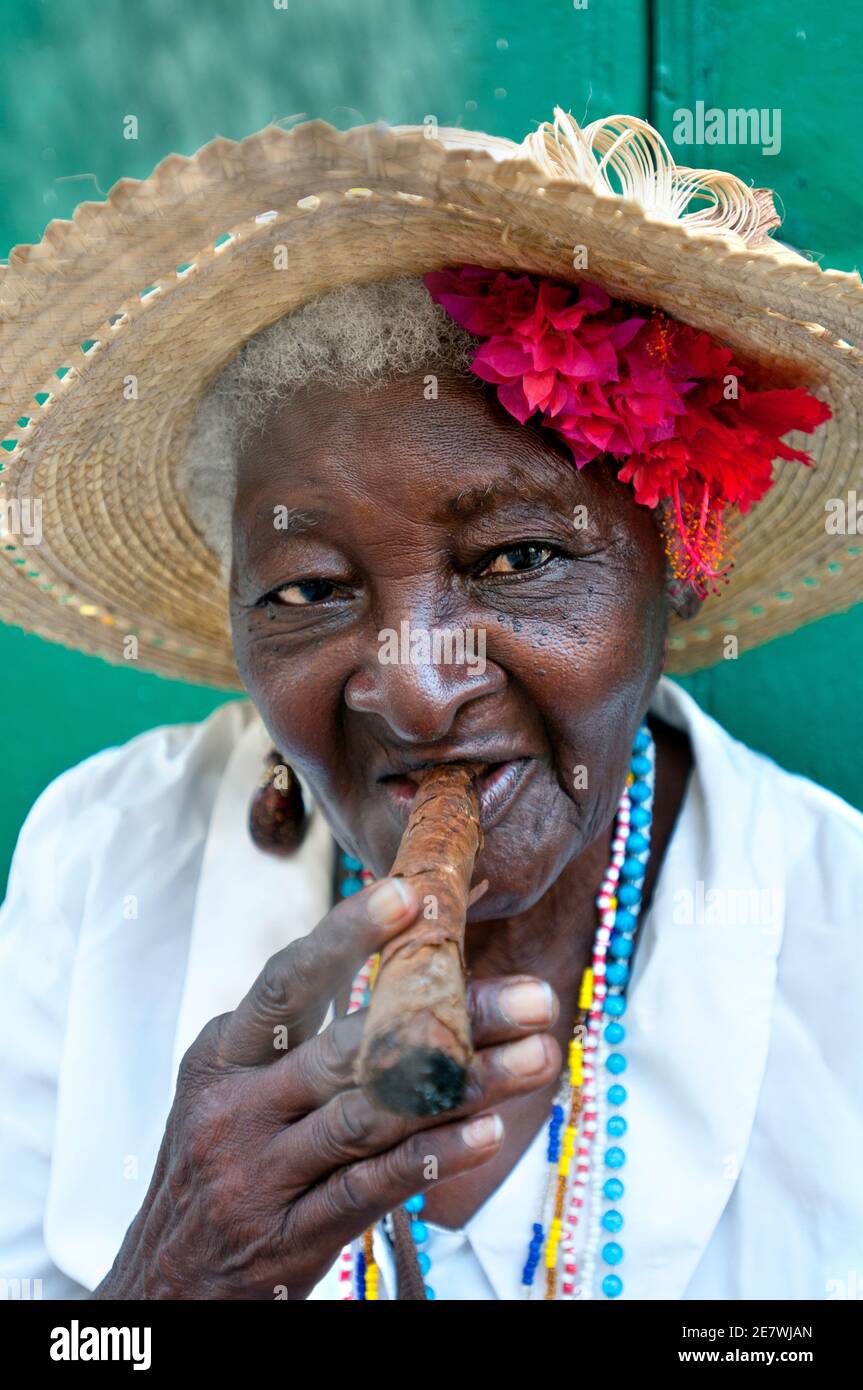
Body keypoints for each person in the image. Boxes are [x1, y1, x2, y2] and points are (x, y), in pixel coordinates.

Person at [0, 108, 861, 1302]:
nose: (413, 686)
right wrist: (165, 1286)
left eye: (513, 561)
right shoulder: (100, 860)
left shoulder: (839, 932)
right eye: (308, 588)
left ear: (667, 562)